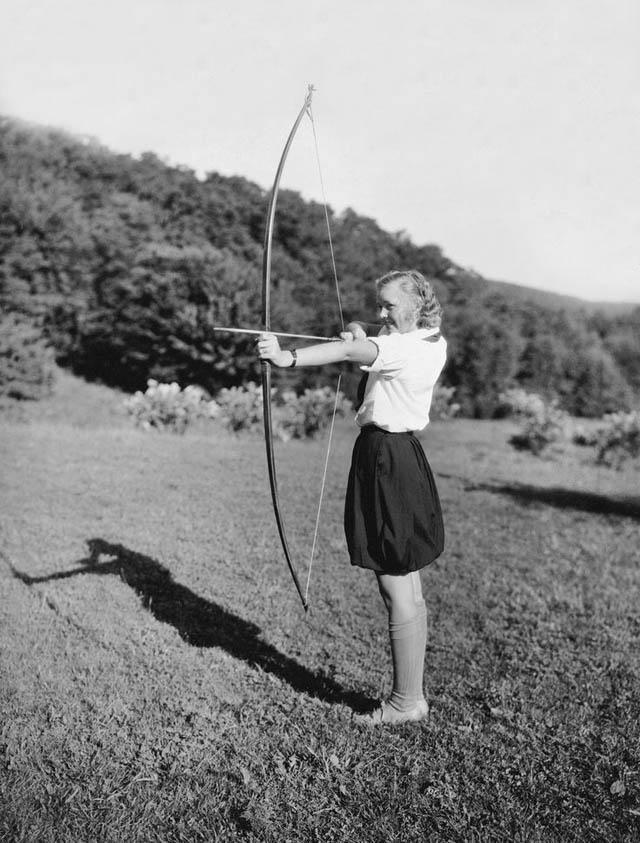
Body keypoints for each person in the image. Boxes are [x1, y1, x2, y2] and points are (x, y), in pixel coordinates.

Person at [257, 269, 447, 725]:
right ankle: (412, 697)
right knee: (407, 579)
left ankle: (405, 703)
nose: (381, 313)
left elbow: (348, 350)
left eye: (388, 305)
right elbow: (369, 345)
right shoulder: (429, 340)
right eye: (378, 305)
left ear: (417, 303)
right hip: (400, 456)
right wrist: (365, 333)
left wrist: (285, 358)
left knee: (394, 579)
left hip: (387, 459)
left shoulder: (400, 348)